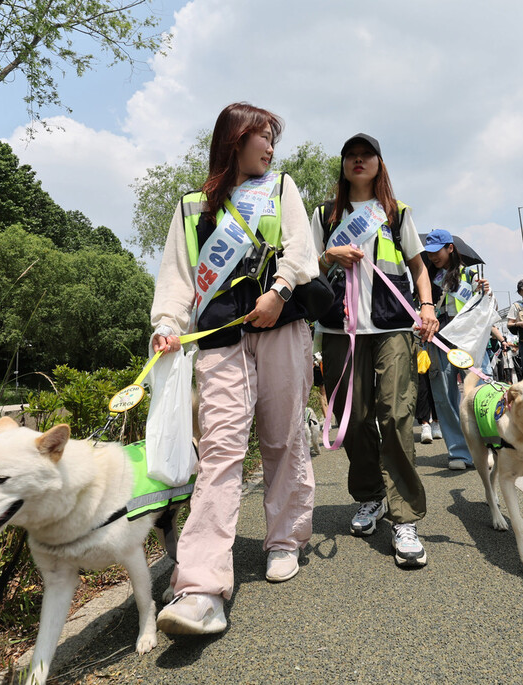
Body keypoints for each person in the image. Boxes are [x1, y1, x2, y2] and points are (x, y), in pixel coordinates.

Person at [149, 103, 318, 634]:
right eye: (263, 138)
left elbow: (302, 253)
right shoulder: (190, 207)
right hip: (219, 337)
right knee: (220, 448)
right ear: (235, 139)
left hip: (282, 327)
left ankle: (284, 538)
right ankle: (200, 587)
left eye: (273, 139)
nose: (270, 148)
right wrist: (166, 323)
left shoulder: (283, 187)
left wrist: (279, 291)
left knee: (283, 437)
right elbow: (177, 279)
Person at [312, 133, 438, 567]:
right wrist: (329, 256)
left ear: (380, 164)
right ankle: (371, 496)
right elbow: (305, 267)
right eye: (351, 156)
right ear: (343, 165)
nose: (359, 161)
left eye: (367, 155)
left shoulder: (396, 213)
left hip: (392, 326)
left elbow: (418, 267)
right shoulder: (324, 215)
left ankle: (405, 517)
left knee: (397, 412)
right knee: (353, 417)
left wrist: (426, 307)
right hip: (340, 328)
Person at [422, 229, 489, 470]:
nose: (432, 257)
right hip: (440, 340)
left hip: (469, 340)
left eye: (436, 251)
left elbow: (483, 307)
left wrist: (484, 290)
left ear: (450, 248)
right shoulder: (425, 278)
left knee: (479, 393)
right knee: (444, 396)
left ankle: (484, 447)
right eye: (428, 253)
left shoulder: (471, 275)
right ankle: (458, 452)